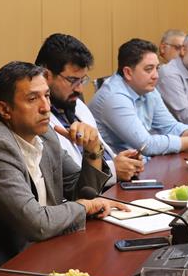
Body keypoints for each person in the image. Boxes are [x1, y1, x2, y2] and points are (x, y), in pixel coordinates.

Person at [0, 61, 126, 269]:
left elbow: (83, 193)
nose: (46, 108)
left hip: (39, 252)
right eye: (33, 99)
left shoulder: (45, 134)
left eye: (47, 96)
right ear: (4, 109)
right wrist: (85, 206)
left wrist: (93, 150)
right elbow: (37, 224)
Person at [35, 33, 144, 185]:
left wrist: (125, 162)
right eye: (72, 80)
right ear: (46, 75)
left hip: (111, 187)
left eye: (82, 80)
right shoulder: (37, 119)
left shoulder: (77, 105)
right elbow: (68, 181)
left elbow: (101, 151)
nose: (79, 89)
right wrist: (114, 170)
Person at [89, 38, 188, 156]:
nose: (156, 75)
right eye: (149, 69)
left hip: (143, 163)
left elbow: (170, 126)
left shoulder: (148, 89)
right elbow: (146, 145)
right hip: (116, 169)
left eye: (157, 68)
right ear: (128, 72)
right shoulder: (114, 97)